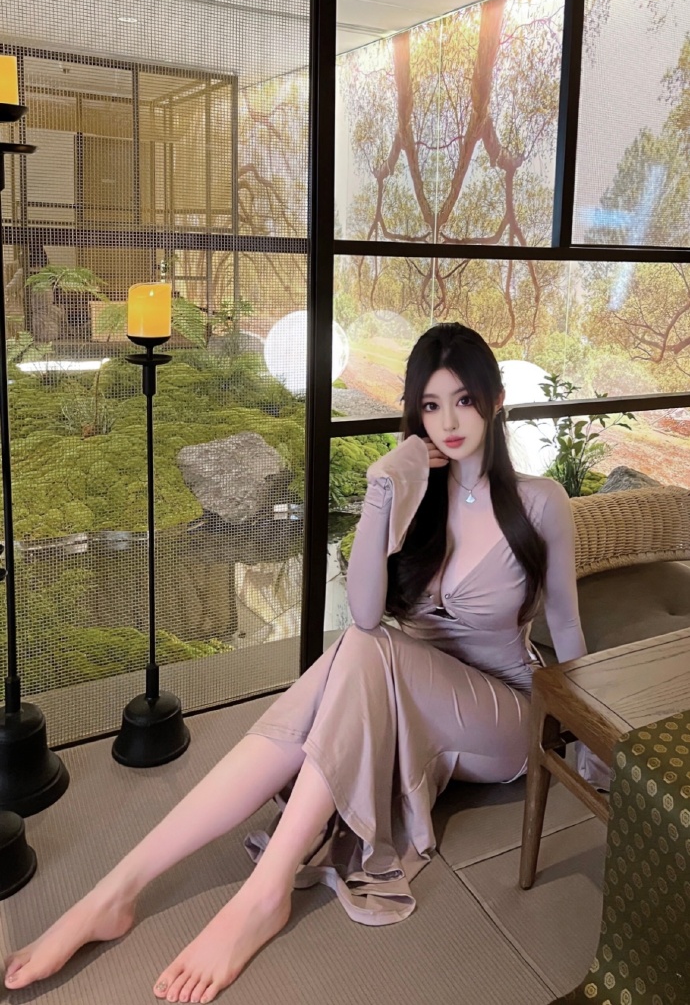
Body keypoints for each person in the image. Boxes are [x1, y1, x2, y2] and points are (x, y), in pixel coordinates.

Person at [3, 322, 608, 1003]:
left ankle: (264, 894)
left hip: (503, 715)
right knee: (358, 649)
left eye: (464, 400)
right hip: (404, 686)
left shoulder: (539, 502)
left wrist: (593, 739)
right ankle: (117, 889)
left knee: (364, 651)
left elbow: (566, 624)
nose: (448, 422)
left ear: (496, 400)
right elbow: (369, 613)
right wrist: (383, 489)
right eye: (430, 406)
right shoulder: (413, 496)